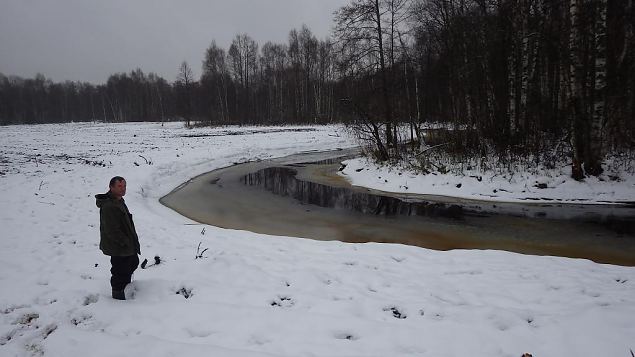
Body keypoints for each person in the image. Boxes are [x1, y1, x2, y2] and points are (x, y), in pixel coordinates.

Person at [95, 176, 141, 300]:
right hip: (118, 247)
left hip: (126, 244)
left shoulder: (119, 200)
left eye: (124, 186)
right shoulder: (109, 206)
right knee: (120, 272)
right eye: (119, 186)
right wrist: (125, 242)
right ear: (111, 187)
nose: (123, 189)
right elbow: (111, 230)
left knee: (132, 263)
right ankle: (118, 297)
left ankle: (126, 287)